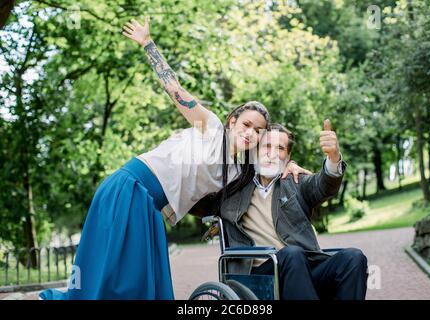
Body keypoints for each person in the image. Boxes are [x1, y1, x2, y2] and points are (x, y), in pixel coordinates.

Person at [39, 17, 307, 300]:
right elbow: (173, 88)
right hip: (129, 188)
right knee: (113, 279)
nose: (250, 133)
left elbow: (262, 179)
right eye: (246, 125)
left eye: (259, 131)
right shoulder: (211, 127)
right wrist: (147, 44)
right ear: (232, 122)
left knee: (139, 284)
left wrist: (288, 164)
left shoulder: (236, 171)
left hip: (151, 207)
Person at [220, 121, 369, 300]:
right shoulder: (234, 189)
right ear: (255, 151)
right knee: (292, 253)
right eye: (266, 146)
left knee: (354, 258)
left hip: (304, 268)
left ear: (288, 156)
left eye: (280, 148)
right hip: (261, 274)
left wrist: (333, 157)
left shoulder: (296, 181)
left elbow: (323, 186)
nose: (272, 153)